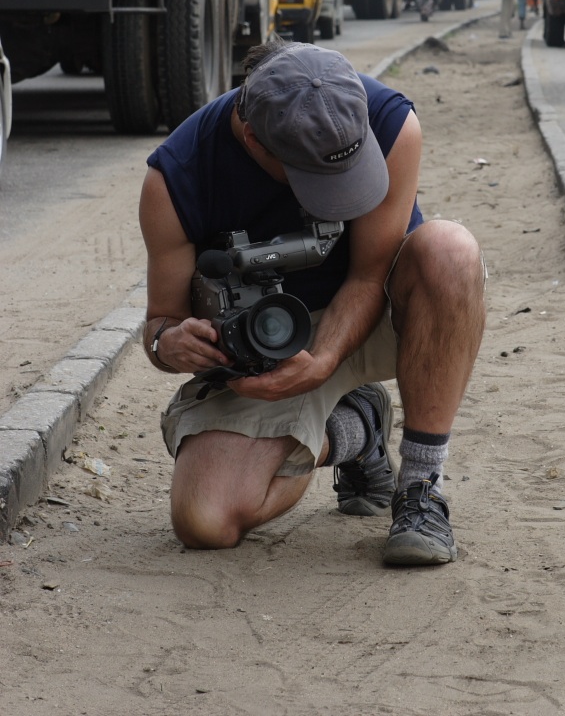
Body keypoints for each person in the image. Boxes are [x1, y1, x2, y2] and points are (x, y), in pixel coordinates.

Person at [139, 38, 486, 567]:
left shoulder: (392, 124)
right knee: (204, 520)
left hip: (382, 316)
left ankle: (421, 488)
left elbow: (371, 275)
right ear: (254, 138)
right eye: (315, 178)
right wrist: (170, 342)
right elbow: (159, 324)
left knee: (450, 252)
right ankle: (359, 427)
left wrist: (323, 361)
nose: (341, 194)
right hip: (267, 353)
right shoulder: (176, 179)